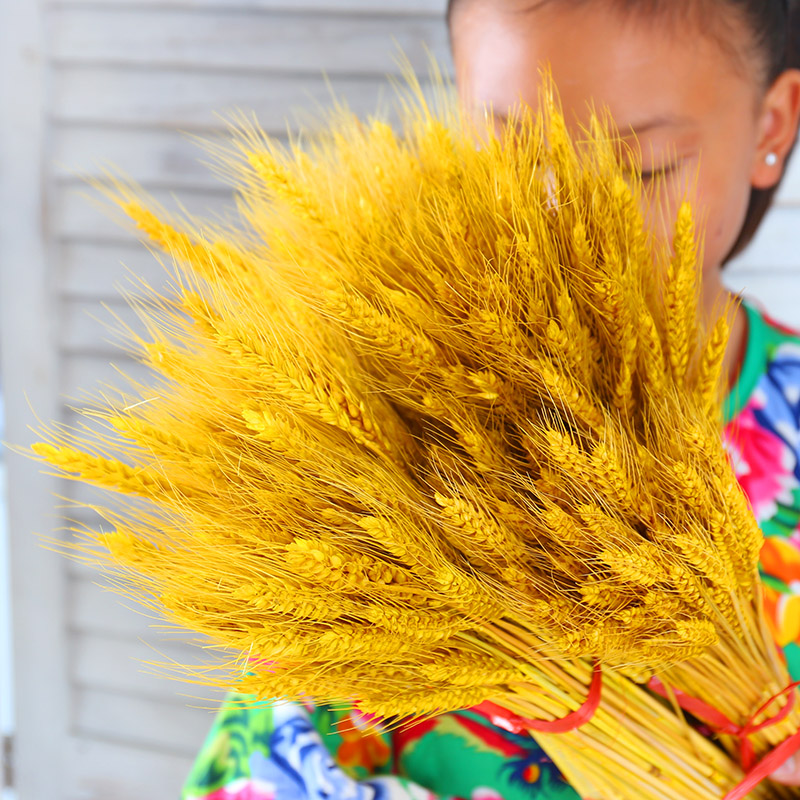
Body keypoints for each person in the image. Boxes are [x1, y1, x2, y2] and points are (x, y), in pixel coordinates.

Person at [181, 0, 800, 797]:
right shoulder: (386, 438)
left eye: (639, 167)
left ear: (772, 124)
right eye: (513, 152)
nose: (560, 216)